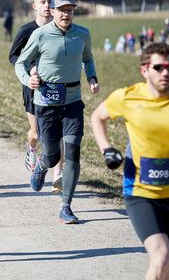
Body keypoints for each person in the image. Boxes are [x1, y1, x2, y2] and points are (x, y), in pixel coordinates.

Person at [15, 0, 99, 224]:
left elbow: (88, 58)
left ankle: (66, 206)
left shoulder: (82, 34)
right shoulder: (40, 35)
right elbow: (21, 62)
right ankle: (41, 166)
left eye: (69, 10)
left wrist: (91, 77)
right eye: (61, 10)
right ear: (53, 11)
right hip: (47, 103)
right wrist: (27, 80)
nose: (65, 14)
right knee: (52, 155)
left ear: (73, 11)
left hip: (72, 102)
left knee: (73, 153)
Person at [91, 43, 169, 280]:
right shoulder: (128, 97)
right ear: (144, 70)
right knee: (161, 255)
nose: (166, 72)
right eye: (159, 67)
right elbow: (97, 117)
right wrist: (106, 149)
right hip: (141, 193)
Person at [9, 0, 63, 193]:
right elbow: (13, 56)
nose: (47, 6)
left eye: (50, 2)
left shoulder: (59, 28)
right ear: (34, 6)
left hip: (54, 86)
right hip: (32, 86)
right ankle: (32, 148)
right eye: (43, 2)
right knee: (36, 133)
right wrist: (29, 69)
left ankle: (58, 175)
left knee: (57, 133)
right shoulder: (26, 30)